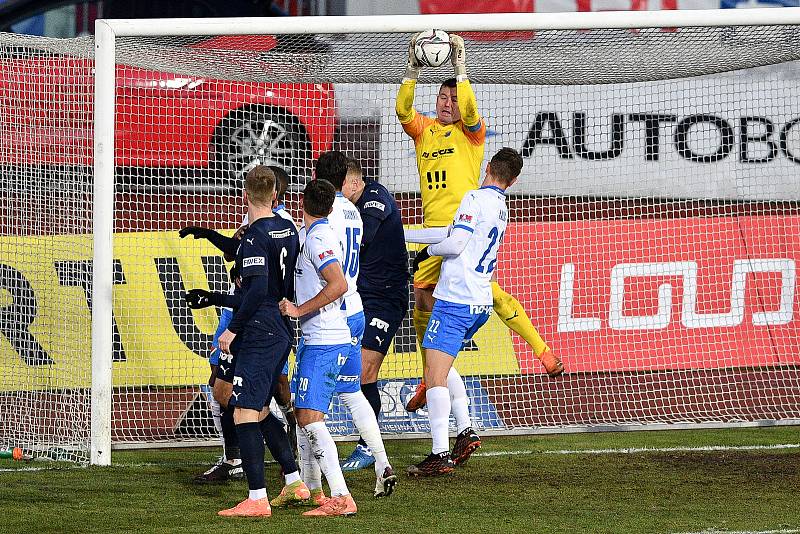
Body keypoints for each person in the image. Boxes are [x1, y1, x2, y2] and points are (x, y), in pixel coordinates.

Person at [396, 32, 563, 420]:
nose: (448, 103)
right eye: (443, 96)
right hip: (432, 229)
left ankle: (542, 351)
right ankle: (431, 375)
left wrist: (460, 68)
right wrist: (412, 70)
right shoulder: (424, 130)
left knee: (492, 295)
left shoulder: (473, 134)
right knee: (422, 300)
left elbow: (470, 109)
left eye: (453, 99)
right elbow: (403, 111)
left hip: (462, 231)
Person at [192, 165, 304, 517]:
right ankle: (295, 481)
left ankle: (257, 498)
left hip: (259, 332)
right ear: (274, 194)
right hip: (280, 326)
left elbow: (255, 291)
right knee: (257, 409)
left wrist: (232, 328)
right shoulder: (289, 229)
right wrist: (217, 299)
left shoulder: (254, 237)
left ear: (244, 195)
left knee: (242, 410)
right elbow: (272, 291)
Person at [408, 148, 523, 476]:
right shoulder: (501, 207)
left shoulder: (474, 198)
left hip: (455, 301)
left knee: (434, 375)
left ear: (487, 167)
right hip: (480, 303)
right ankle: (465, 431)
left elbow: (454, 244)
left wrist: (427, 253)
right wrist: (403, 235)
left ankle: (439, 453)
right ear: (512, 181)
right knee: (442, 366)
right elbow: (452, 233)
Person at [313, 151, 397, 498]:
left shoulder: (335, 213)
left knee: (316, 402)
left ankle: (320, 484)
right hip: (358, 306)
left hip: (342, 310)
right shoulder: (353, 211)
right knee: (353, 387)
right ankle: (380, 460)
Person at [279, 178, 358, 517]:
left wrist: (298, 310)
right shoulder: (308, 234)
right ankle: (312, 491)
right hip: (317, 339)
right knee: (302, 414)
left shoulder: (319, 238)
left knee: (311, 418)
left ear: (302, 202)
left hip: (326, 338)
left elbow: (338, 283)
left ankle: (341, 497)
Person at [339, 156, 409, 472]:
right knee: (353, 370)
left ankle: (369, 446)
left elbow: (361, 239)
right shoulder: (349, 205)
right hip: (360, 297)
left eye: (342, 186)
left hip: (385, 300)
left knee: (365, 372)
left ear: (355, 183)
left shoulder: (375, 199)